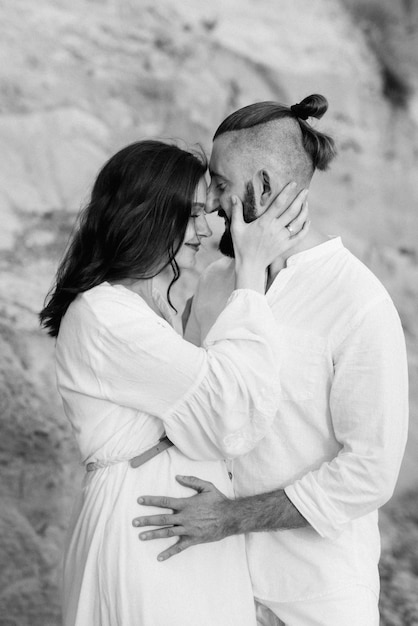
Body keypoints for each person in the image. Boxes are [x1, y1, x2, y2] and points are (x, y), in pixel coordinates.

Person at [132, 97, 409, 626]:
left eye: (220, 182)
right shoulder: (215, 283)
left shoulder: (358, 302)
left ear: (262, 185)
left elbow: (370, 471)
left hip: (316, 597)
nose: (210, 201)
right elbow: (194, 406)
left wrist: (229, 518)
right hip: (211, 586)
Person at [39, 139, 310, 626]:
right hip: (146, 529)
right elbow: (230, 410)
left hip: (183, 531)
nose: (207, 229)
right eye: (191, 214)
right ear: (145, 214)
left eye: (207, 212)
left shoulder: (157, 310)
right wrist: (249, 270)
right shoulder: (105, 315)